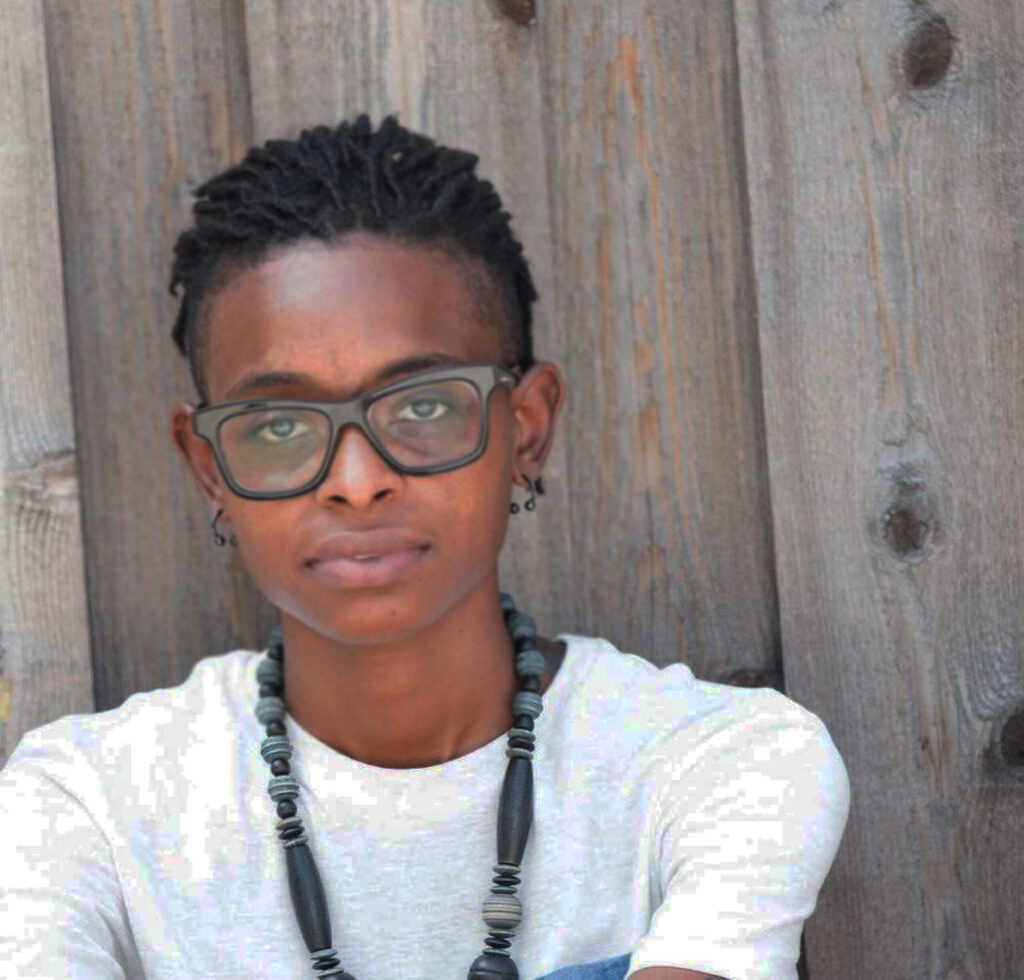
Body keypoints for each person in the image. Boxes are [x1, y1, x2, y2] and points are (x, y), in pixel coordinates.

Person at [0, 115, 850, 980]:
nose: (357, 479)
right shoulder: (83, 807)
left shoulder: (719, 765)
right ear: (209, 465)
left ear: (525, 427)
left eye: (424, 405)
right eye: (281, 423)